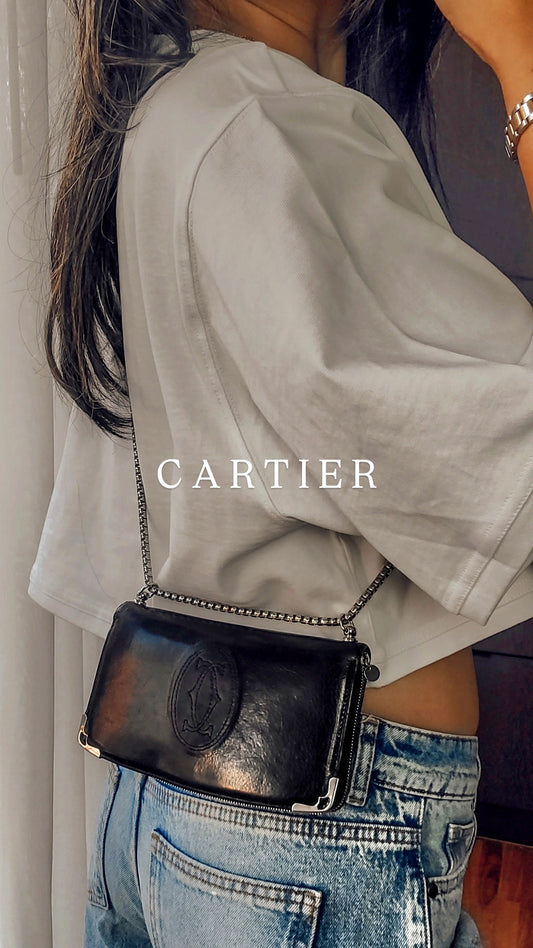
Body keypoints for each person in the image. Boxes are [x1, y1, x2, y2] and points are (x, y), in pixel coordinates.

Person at [29, 0, 533, 945]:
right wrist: (520, 57)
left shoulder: (164, 106)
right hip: (314, 828)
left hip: (169, 812)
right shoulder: (262, 122)